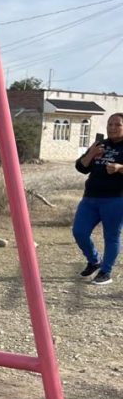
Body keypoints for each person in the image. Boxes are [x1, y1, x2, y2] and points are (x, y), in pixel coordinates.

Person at [73, 112, 123, 286]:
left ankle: (106, 272)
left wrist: (119, 168)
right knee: (79, 231)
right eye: (110, 124)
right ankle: (94, 261)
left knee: (111, 236)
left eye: (118, 125)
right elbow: (81, 167)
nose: (113, 128)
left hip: (115, 199)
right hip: (90, 198)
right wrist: (91, 153)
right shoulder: (100, 144)